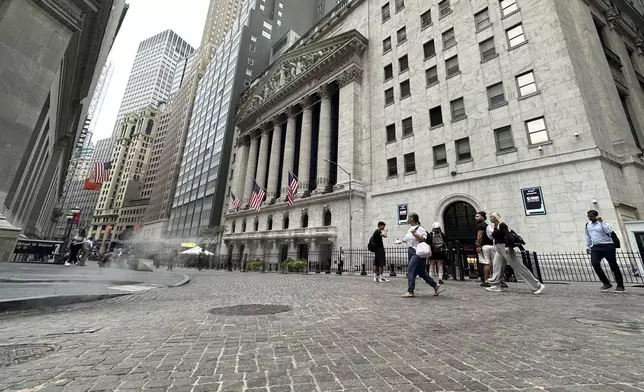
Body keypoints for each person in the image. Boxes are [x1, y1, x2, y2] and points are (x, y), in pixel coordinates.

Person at [486, 212, 545, 294]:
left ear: (496, 217)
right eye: (490, 217)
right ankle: (496, 285)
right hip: (498, 248)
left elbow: (506, 235)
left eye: (492, 217)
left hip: (504, 247)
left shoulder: (502, 224)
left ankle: (536, 285)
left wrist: (507, 246)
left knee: (517, 266)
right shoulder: (494, 226)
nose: (490, 218)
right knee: (497, 265)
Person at [398, 213, 442, 298]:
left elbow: (424, 239)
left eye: (409, 217)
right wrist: (402, 241)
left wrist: (416, 234)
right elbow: (409, 239)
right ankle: (435, 285)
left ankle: (410, 291)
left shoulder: (420, 228)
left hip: (417, 252)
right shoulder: (410, 229)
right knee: (421, 272)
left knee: (411, 269)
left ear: (413, 219)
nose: (407, 219)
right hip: (411, 251)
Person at [585, 210, 624, 292]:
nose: (590, 218)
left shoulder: (604, 224)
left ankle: (620, 286)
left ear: (596, 216)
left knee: (613, 265)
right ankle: (606, 283)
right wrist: (588, 246)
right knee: (595, 263)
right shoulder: (588, 225)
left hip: (608, 246)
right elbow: (588, 236)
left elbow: (609, 231)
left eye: (591, 216)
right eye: (588, 216)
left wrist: (601, 222)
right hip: (595, 247)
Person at [475, 212, 495, 287]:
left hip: (484, 246)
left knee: (485, 263)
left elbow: (479, 236)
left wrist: (478, 245)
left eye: (477, 216)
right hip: (491, 245)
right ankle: (496, 279)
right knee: (492, 263)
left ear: (483, 217)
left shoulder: (480, 225)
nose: (475, 218)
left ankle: (486, 280)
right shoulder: (486, 225)